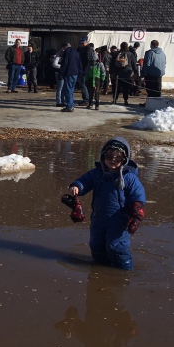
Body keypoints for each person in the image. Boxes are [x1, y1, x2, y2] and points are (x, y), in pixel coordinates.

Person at [67, 137, 146, 270]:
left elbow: (138, 196)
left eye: (118, 158)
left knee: (116, 247)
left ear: (124, 159)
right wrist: (77, 186)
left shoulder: (129, 177)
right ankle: (100, 269)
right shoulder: (97, 173)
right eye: (109, 157)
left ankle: (124, 271)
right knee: (96, 244)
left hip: (119, 221)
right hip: (98, 218)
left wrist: (136, 213)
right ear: (103, 156)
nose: (113, 160)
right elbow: (84, 181)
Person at [59, 42, 82, 112]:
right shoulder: (76, 52)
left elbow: (65, 63)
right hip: (75, 73)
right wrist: (80, 73)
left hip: (69, 73)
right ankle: (71, 105)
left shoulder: (67, 52)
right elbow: (79, 63)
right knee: (71, 90)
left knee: (68, 90)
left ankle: (69, 106)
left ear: (65, 47)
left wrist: (61, 72)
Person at [76, 37, 94, 104]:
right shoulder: (82, 49)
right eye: (80, 43)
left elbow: (87, 60)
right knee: (83, 84)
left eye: (82, 43)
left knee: (83, 84)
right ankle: (87, 99)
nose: (81, 44)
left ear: (86, 42)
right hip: (83, 68)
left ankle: (86, 99)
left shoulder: (88, 49)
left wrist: (85, 70)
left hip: (85, 69)